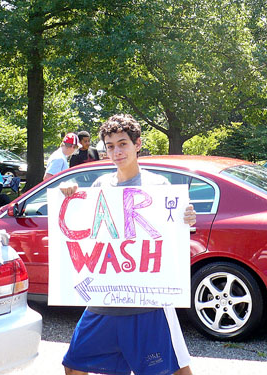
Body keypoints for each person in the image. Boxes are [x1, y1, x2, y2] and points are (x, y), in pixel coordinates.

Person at [60, 114, 196, 375]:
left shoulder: (159, 186)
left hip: (148, 302)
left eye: (122, 144)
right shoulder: (101, 186)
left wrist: (186, 219)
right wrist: (69, 192)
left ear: (138, 144)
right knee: (74, 364)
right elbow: (86, 230)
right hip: (105, 299)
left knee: (173, 369)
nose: (116, 151)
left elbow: (175, 233)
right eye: (110, 146)